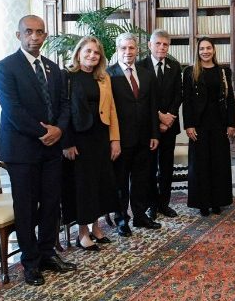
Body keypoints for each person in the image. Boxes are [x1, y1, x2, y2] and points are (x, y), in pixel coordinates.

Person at [0, 15, 76, 286]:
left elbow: (64, 105)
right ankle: (30, 262)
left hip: (51, 150)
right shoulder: (4, 68)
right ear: (19, 35)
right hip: (22, 150)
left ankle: (47, 253)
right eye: (29, 32)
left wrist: (59, 130)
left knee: (51, 204)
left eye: (40, 32)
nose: (35, 37)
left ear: (45, 35)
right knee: (27, 207)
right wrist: (44, 133)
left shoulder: (54, 69)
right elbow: (13, 110)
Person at [61, 36, 121, 251]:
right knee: (83, 186)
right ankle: (82, 233)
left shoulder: (104, 78)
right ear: (78, 53)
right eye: (88, 51)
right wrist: (67, 142)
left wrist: (115, 139)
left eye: (96, 53)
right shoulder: (67, 76)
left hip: (100, 136)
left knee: (100, 184)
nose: (92, 55)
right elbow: (63, 111)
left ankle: (96, 228)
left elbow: (111, 109)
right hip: (79, 139)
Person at [107, 33, 160, 236]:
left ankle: (140, 215)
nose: (128, 52)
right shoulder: (108, 75)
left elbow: (152, 106)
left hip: (144, 138)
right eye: (124, 48)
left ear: (137, 50)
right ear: (117, 50)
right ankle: (122, 219)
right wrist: (113, 139)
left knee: (141, 180)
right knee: (120, 182)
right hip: (121, 140)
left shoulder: (146, 74)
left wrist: (155, 134)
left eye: (131, 48)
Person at [183, 37, 235, 216]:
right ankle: (203, 203)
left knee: (219, 163)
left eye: (208, 48)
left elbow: (230, 99)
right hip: (198, 125)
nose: (205, 51)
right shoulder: (190, 71)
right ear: (197, 52)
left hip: (219, 123)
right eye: (202, 49)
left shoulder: (223, 71)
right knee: (200, 164)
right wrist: (189, 125)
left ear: (214, 50)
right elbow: (187, 101)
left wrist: (231, 123)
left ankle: (217, 202)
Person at [138, 30, 182, 220]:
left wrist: (169, 118)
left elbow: (178, 94)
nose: (162, 47)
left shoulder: (175, 66)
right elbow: (141, 97)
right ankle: (151, 204)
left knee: (166, 167)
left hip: (169, 126)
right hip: (148, 126)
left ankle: (164, 204)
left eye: (165, 44)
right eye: (158, 44)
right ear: (150, 45)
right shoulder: (140, 66)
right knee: (149, 168)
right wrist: (159, 118)